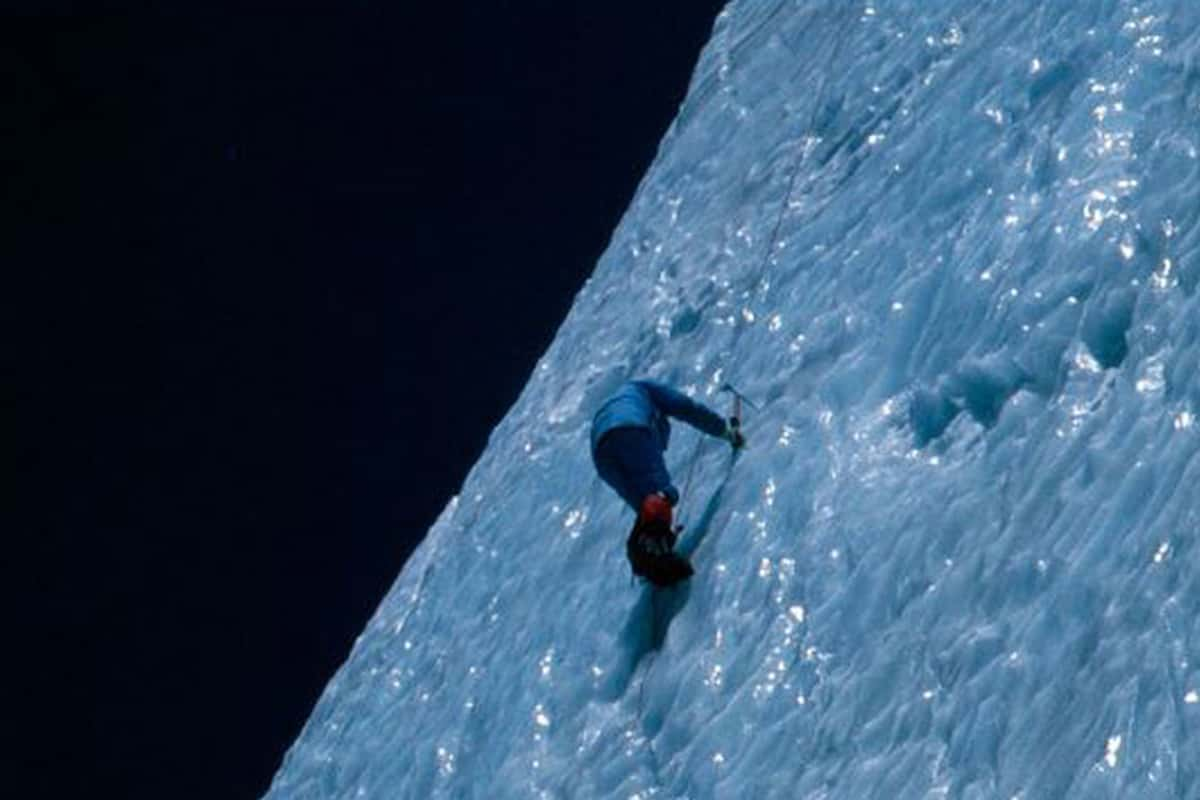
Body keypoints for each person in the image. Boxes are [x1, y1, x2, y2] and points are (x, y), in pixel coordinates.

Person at [591, 379, 745, 586]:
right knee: (665, 495)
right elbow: (688, 409)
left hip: (601, 454)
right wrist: (725, 432)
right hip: (633, 429)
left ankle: (646, 558)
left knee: (645, 505)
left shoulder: (626, 397)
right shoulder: (645, 389)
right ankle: (662, 564)